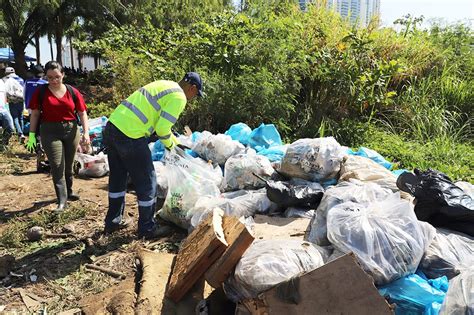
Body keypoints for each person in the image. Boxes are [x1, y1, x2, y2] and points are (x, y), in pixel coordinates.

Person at [103, 72, 203, 239]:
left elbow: (160, 125)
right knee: (148, 182)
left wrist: (175, 142)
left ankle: (112, 223)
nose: (193, 98)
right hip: (131, 135)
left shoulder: (166, 84)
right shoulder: (179, 97)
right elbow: (162, 130)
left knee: (118, 178)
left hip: (112, 128)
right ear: (192, 88)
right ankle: (147, 229)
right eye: (195, 94)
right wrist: (172, 147)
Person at [26, 61, 90, 212]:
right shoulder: (41, 92)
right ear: (46, 77)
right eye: (50, 77)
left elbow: (82, 113)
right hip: (49, 131)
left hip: (71, 130)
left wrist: (86, 133)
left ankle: (69, 190)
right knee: (56, 164)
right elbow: (35, 114)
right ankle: (62, 200)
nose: (54, 80)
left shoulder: (72, 91)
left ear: (63, 75)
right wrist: (31, 135)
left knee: (68, 165)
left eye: (57, 77)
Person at [3, 67, 25, 142]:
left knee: (15, 118)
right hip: (21, 101)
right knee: (21, 117)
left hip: (12, 102)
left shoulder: (6, 80)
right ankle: (22, 134)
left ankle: (20, 133)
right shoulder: (21, 79)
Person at [0, 78, 14, 149]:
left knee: (10, 128)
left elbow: (5, 96)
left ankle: (3, 144)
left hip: (3, 110)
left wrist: (7, 107)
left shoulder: (2, 82)